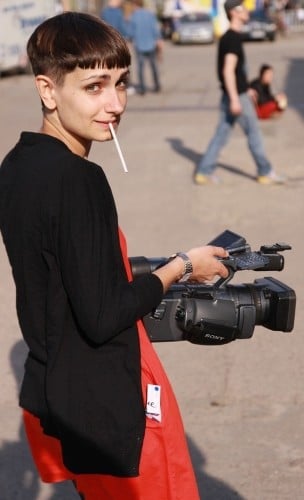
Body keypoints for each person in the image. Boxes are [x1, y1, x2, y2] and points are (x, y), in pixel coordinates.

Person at [0, 12, 230, 500]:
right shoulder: (79, 180)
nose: (115, 103)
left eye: (121, 83)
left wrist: (138, 269)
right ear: (48, 90)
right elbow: (103, 316)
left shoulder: (19, 164)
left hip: (55, 392)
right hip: (106, 405)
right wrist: (182, 267)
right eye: (95, 86)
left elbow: (60, 271)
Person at [194, 0, 286, 186]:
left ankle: (203, 172)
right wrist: (237, 98)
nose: (246, 11)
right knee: (254, 134)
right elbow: (228, 70)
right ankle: (265, 172)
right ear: (234, 13)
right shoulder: (233, 38)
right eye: (242, 8)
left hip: (234, 94)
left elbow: (235, 72)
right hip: (236, 97)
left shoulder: (229, 37)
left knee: (221, 134)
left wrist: (247, 87)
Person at [127, 0, 163, 95]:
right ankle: (157, 85)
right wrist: (158, 39)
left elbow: (130, 32)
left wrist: (129, 40)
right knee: (153, 66)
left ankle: (142, 88)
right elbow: (155, 29)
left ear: (135, 5)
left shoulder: (133, 17)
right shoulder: (150, 15)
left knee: (140, 67)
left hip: (139, 45)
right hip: (151, 44)